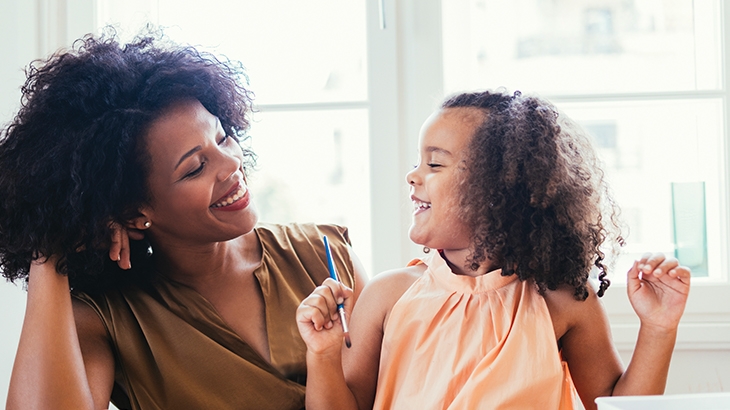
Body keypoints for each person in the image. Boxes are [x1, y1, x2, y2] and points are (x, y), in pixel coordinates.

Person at [0, 28, 367, 410]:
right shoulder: (108, 317)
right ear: (134, 211)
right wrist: (49, 252)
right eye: (195, 168)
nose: (231, 165)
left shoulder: (324, 255)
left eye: (222, 137)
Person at [296, 89, 691, 410]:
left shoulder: (563, 300)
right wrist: (323, 355)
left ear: (496, 188)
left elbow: (616, 407)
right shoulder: (389, 295)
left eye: (434, 164)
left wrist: (658, 328)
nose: (413, 175)